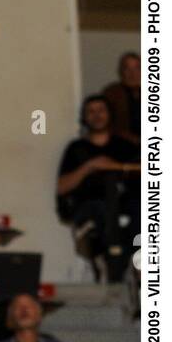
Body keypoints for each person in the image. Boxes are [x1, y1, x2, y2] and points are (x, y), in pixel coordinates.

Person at [56, 95, 140, 276]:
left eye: (101, 110)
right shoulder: (76, 148)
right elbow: (61, 187)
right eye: (91, 112)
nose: (97, 115)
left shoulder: (125, 146)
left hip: (126, 210)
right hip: (92, 211)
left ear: (110, 114)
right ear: (84, 117)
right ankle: (105, 263)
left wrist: (116, 166)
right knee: (99, 211)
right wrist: (90, 166)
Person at [102, 51, 141, 145]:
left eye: (137, 68)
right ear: (120, 71)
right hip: (119, 145)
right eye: (127, 68)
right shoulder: (111, 93)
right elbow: (103, 124)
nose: (133, 73)